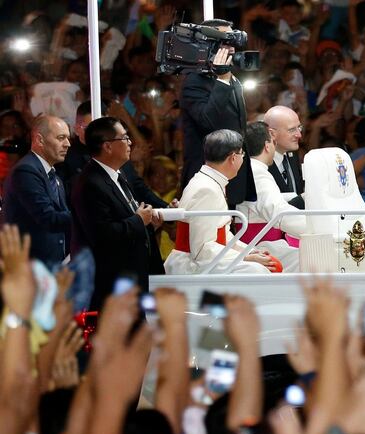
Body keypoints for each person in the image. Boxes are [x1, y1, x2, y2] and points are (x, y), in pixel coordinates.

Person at [70, 116, 163, 310]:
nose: (130, 142)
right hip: (112, 283)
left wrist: (148, 225)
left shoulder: (117, 174)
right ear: (108, 146)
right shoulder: (91, 183)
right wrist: (139, 221)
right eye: (124, 138)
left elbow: (126, 218)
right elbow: (103, 234)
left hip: (131, 278)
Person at [165, 129, 279, 275]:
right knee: (258, 271)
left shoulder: (210, 182)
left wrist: (251, 250)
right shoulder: (206, 189)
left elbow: (223, 236)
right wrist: (246, 257)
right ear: (233, 157)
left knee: (269, 264)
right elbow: (202, 249)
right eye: (242, 154)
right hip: (191, 266)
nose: (242, 159)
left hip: (205, 259)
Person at [180, 19, 257, 208]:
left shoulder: (232, 78)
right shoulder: (194, 81)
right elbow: (208, 122)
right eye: (225, 41)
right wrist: (222, 80)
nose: (231, 48)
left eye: (233, 42)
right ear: (208, 44)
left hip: (233, 176)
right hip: (209, 178)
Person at [3, 115, 71, 267]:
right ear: (40, 140)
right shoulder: (26, 171)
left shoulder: (54, 176)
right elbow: (48, 218)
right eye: (61, 138)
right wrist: (87, 215)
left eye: (68, 138)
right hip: (31, 269)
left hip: (51, 266)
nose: (68, 144)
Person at [236, 121, 305, 272]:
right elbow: (277, 211)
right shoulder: (258, 172)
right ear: (268, 146)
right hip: (259, 245)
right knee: (310, 260)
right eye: (273, 143)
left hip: (261, 242)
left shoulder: (249, 168)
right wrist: (315, 228)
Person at [264, 105, 305, 208]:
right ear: (271, 134)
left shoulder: (292, 154)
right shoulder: (259, 162)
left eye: (299, 127)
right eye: (291, 130)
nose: (299, 135)